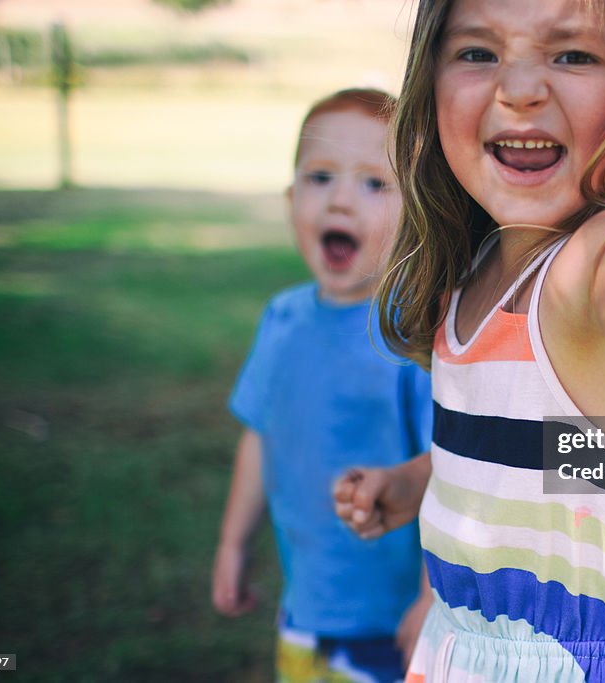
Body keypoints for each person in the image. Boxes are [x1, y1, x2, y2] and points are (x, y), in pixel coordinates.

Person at [333, 1, 605, 681]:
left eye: (574, 54)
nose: (519, 88)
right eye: (478, 52)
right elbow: (553, 451)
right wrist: (425, 478)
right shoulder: (480, 270)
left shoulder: (603, 257)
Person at [212, 88, 434, 683]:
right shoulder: (281, 320)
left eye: (373, 184)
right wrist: (234, 544)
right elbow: (261, 438)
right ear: (290, 200)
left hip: (397, 626)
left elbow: (451, 472)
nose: (340, 200)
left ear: (416, 211)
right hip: (304, 610)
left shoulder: (413, 339)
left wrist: (433, 599)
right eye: (319, 177)